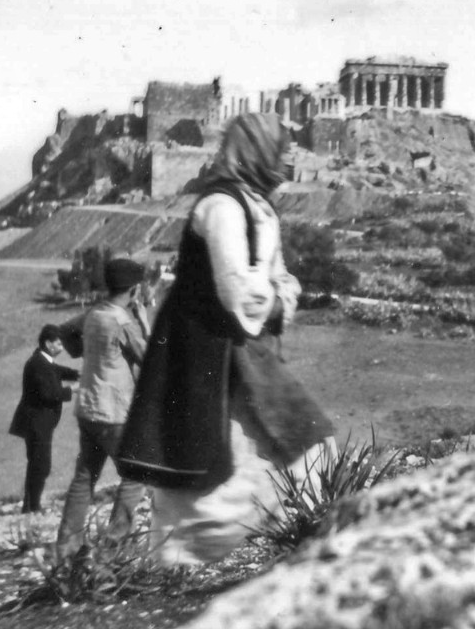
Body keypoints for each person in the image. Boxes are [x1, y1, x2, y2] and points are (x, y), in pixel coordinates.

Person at [117, 113, 334, 566]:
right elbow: (240, 290)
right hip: (209, 352)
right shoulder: (221, 207)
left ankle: (205, 552)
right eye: (281, 145)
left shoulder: (257, 207)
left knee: (295, 441)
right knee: (214, 458)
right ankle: (179, 562)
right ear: (259, 150)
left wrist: (275, 294)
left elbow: (276, 280)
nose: (289, 154)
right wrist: (277, 300)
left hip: (243, 350)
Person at [55, 258, 151, 560]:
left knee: (84, 477)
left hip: (87, 408)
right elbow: (148, 360)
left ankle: (67, 548)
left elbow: (66, 331)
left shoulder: (94, 312)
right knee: (137, 473)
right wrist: (145, 323)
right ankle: (113, 546)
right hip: (114, 411)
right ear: (135, 290)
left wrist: (86, 351)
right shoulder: (123, 322)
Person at [8, 325, 80, 514]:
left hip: (38, 422)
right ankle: (33, 506)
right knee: (41, 465)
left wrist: (78, 374)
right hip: (36, 422)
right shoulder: (38, 364)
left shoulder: (43, 361)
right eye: (58, 343)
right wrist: (72, 389)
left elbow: (58, 371)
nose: (62, 347)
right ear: (48, 344)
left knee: (37, 464)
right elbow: (49, 393)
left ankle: (30, 505)